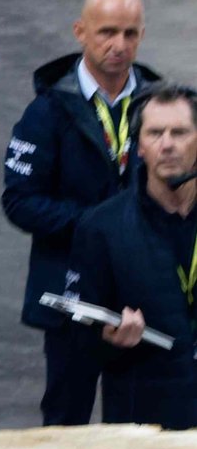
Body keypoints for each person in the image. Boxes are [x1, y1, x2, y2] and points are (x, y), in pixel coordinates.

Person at [4, 0, 171, 425]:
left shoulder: (163, 110)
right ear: (81, 32)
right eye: (107, 32)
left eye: (130, 34)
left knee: (142, 424)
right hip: (70, 296)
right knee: (64, 422)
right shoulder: (47, 111)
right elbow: (20, 201)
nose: (119, 44)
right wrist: (97, 226)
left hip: (144, 299)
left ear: (142, 36)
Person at [75, 86, 197, 428]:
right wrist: (110, 341)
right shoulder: (102, 227)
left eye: (180, 132)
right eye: (156, 133)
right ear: (139, 146)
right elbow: (78, 345)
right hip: (144, 423)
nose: (168, 144)